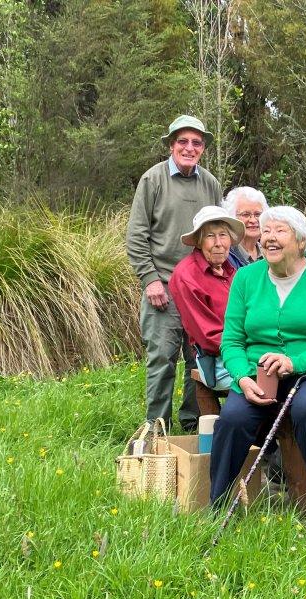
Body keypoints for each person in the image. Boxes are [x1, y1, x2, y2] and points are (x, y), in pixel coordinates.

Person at [210, 206, 306, 512]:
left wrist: (294, 363)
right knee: (233, 419)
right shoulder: (246, 278)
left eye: (279, 231)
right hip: (259, 372)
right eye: (265, 231)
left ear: (301, 241)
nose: (269, 238)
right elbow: (232, 341)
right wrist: (242, 377)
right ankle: (219, 503)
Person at [126, 114, 222, 432]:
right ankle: (156, 427)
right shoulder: (152, 181)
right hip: (163, 287)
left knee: (200, 360)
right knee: (161, 359)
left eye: (196, 142)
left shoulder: (210, 184)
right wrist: (150, 279)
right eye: (182, 141)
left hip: (198, 288)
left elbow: (217, 235)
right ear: (171, 145)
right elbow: (137, 236)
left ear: (203, 148)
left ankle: (194, 423)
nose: (189, 147)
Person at [169, 205, 245, 391]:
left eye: (223, 235)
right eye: (210, 236)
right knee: (276, 384)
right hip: (219, 364)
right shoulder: (187, 275)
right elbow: (208, 337)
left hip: (248, 352)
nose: (218, 243)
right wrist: (251, 350)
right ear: (199, 241)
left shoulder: (232, 271)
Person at [225, 186, 268, 266]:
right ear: (232, 217)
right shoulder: (225, 256)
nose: (253, 220)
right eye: (245, 214)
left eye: (257, 214)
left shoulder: (269, 253)